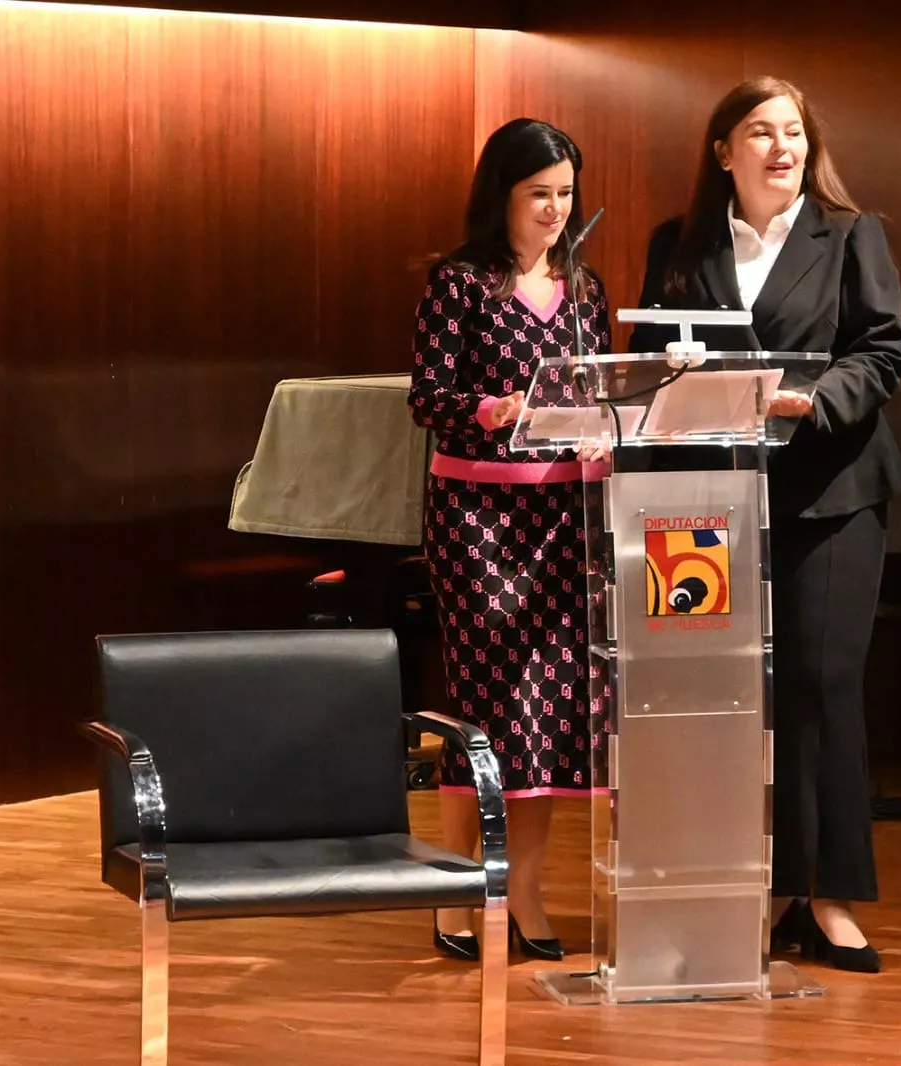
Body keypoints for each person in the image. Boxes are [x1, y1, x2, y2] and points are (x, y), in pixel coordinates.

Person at [633, 76, 901, 973]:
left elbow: (883, 350)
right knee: (717, 695)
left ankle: (824, 898)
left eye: (793, 132)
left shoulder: (851, 234)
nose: (782, 148)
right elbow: (644, 364)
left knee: (821, 688)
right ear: (724, 151)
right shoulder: (676, 244)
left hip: (828, 490)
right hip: (704, 501)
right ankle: (727, 891)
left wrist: (818, 402)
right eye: (761, 132)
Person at [408, 117, 608, 963]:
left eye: (566, 195)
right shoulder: (458, 284)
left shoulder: (585, 290)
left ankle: (523, 887)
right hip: (479, 525)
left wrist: (605, 426)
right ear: (503, 195)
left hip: (565, 522)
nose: (555, 211)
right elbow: (426, 397)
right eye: (539, 195)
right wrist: (487, 410)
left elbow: (596, 388)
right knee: (488, 712)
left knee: (551, 716)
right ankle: (461, 889)